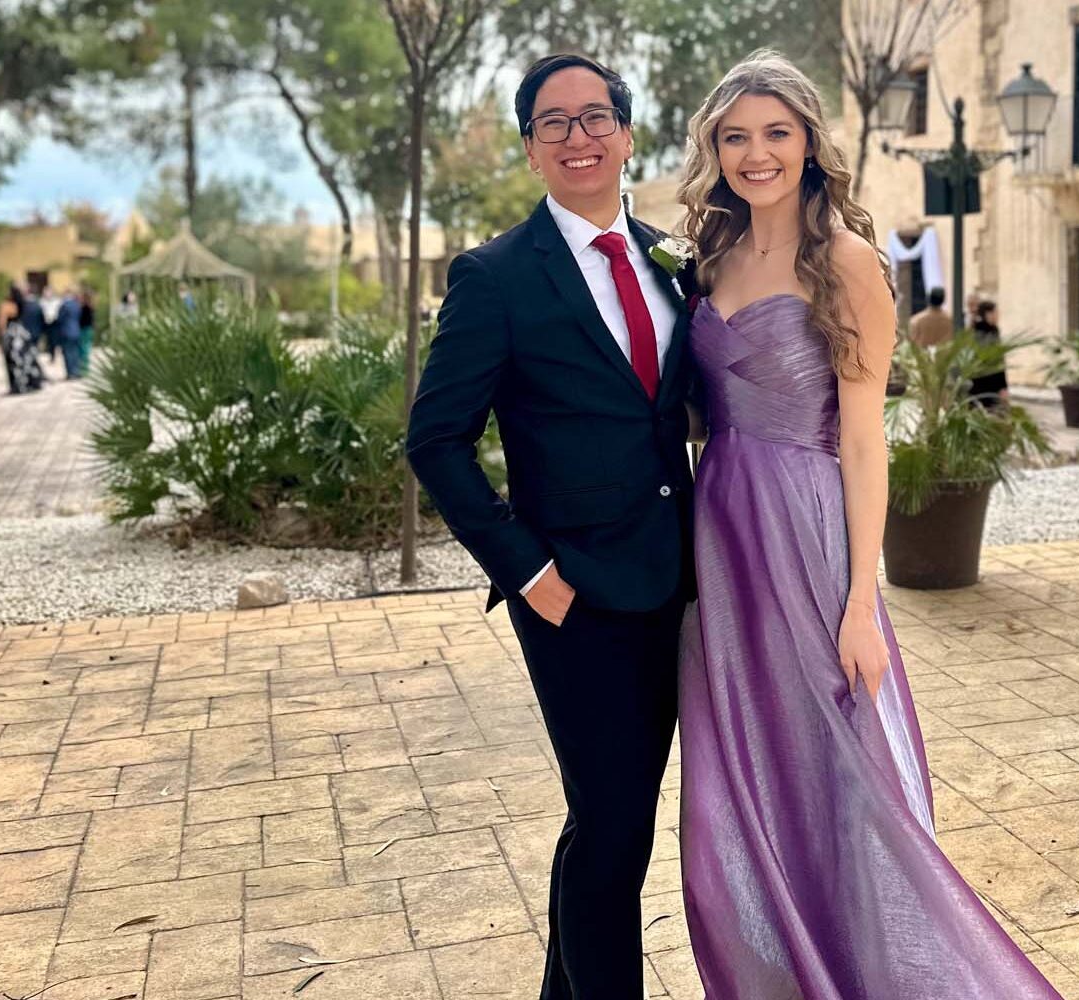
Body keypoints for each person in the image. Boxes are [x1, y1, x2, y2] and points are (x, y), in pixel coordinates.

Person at [672, 52, 1065, 998]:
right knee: (740, 772)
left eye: (776, 133)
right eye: (735, 136)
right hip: (720, 538)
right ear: (714, 148)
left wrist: (860, 603)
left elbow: (862, 441)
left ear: (810, 143)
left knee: (840, 776)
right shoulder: (710, 255)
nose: (756, 153)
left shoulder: (847, 262)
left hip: (804, 536)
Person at [406, 54, 696, 1000]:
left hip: (684, 586)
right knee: (613, 827)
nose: (580, 137)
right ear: (530, 147)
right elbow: (435, 440)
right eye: (555, 122)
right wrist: (529, 571)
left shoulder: (671, 262)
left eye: (596, 116)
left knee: (612, 825)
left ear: (625, 133)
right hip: (574, 598)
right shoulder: (495, 278)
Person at [0, 285, 44, 394]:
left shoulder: (6, 305)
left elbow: (2, 323)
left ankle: (17, 386)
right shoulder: (22, 304)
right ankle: (28, 383)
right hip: (21, 334)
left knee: (13, 362)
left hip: (11, 336)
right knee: (25, 360)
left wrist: (2, 337)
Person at [969, 297, 1010, 406]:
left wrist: (1003, 386)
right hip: (982, 382)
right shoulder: (979, 332)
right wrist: (1003, 387)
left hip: (992, 382)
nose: (998, 315)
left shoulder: (994, 330)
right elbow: (995, 359)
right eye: (995, 312)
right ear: (987, 314)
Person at [55, 288, 84, 378]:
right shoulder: (76, 305)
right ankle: (77, 371)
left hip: (66, 331)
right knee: (75, 352)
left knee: (68, 353)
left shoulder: (64, 305)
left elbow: (60, 319)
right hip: (76, 331)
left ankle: (70, 373)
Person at [78, 288, 96, 362]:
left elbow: (81, 320)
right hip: (90, 329)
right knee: (87, 347)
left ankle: (84, 367)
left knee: (83, 348)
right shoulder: (92, 307)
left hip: (84, 329)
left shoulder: (84, 308)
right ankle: (85, 367)